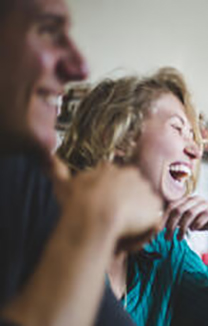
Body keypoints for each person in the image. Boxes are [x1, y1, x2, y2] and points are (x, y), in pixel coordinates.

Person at [57, 68, 208, 326]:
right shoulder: (44, 229)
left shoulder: (164, 248)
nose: (196, 150)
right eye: (177, 128)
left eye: (193, 137)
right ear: (116, 137)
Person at [0, 0, 163, 325]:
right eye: (48, 30)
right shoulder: (84, 208)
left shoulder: (22, 178)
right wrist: (94, 221)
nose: (79, 67)